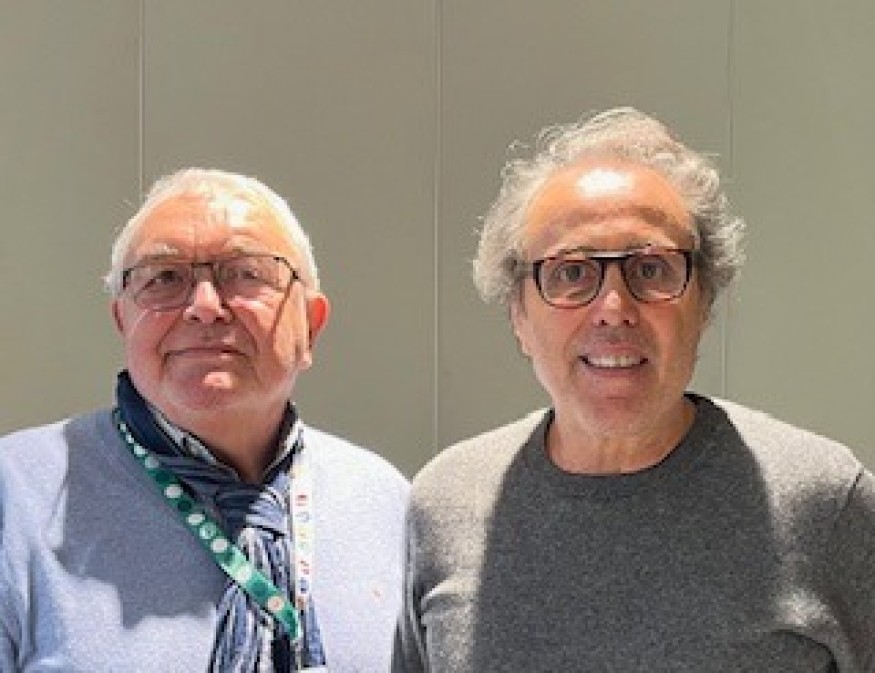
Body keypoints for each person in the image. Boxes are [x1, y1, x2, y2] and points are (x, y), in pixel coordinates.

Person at [393, 108, 875, 671]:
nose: (614, 308)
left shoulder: (825, 504)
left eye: (651, 269)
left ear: (704, 302)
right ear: (518, 314)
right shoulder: (446, 503)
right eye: (571, 272)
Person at [0, 168, 409, 671]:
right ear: (123, 321)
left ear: (311, 325)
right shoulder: (17, 496)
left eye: (247, 273)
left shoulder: (387, 502)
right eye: (164, 278)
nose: (205, 307)